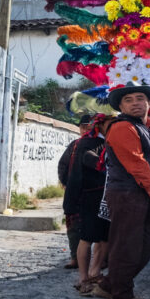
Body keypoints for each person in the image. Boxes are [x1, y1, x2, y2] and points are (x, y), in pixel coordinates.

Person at [92, 81, 150, 299]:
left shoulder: (146, 128)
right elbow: (136, 164)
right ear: (121, 107)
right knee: (126, 249)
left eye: (140, 98)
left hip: (145, 196)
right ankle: (122, 294)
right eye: (128, 100)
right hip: (128, 195)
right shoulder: (122, 127)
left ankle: (109, 285)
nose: (135, 103)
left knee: (144, 248)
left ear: (149, 103)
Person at [65, 113, 114, 295]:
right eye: (110, 124)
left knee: (105, 238)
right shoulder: (87, 143)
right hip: (89, 197)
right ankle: (83, 278)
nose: (113, 127)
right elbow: (88, 160)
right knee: (86, 238)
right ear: (100, 125)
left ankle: (95, 272)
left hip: (106, 196)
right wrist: (101, 162)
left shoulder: (109, 141)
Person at [59, 114, 92, 269]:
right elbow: (63, 166)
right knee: (73, 228)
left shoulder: (102, 143)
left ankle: (100, 259)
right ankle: (75, 257)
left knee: (95, 228)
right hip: (75, 193)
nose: (86, 129)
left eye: (89, 126)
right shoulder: (74, 145)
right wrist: (67, 184)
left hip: (94, 193)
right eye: (83, 126)